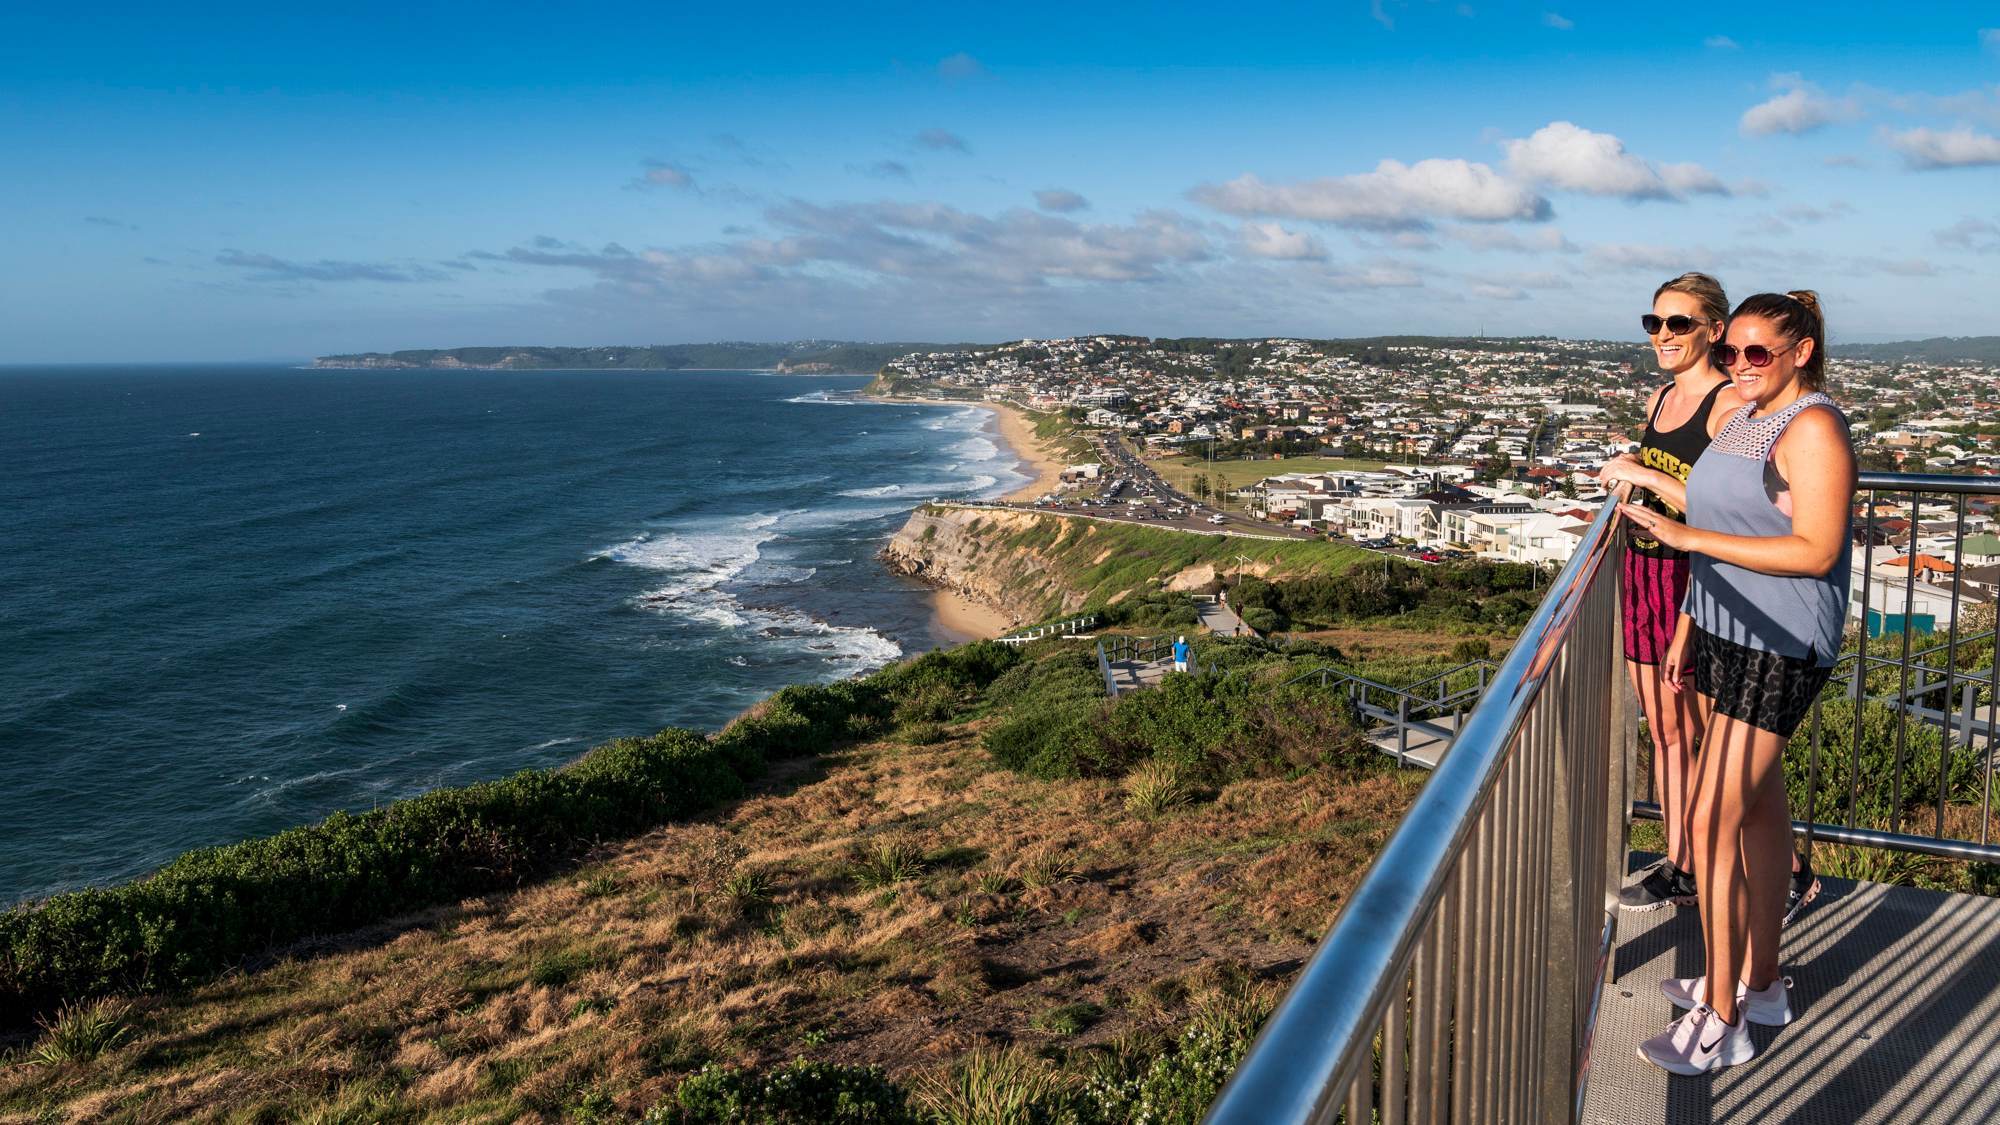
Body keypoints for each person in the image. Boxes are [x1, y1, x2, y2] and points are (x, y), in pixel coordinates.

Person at [1620, 291, 1853, 1075]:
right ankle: (1763, 983)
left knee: (1716, 825)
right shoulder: (1749, 418)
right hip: (1728, 631)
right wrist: (1688, 610)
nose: (1741, 367)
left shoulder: (1812, 426)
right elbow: (1724, 516)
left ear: (1802, 351)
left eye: (1759, 353)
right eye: (1733, 354)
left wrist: (1685, 535)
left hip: (1778, 643)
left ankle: (1725, 1020)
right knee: (1758, 814)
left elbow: (1816, 548)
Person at [1596, 272, 1738, 914]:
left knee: (1714, 734)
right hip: (1645, 571)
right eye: (1654, 323)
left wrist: (1641, 470)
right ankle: (1682, 860)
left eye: (1679, 323)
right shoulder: (1660, 400)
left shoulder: (1727, 405)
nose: (1663, 335)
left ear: (1714, 329)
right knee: (1666, 731)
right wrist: (1631, 486)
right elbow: (1656, 486)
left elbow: (1721, 508)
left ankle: (1777, 866)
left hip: (1696, 580)